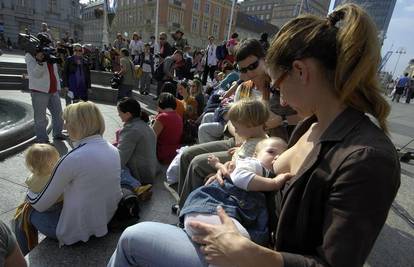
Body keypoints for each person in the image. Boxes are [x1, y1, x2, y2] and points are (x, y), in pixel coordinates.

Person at [106, 4, 400, 267]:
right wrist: (235, 171)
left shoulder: (368, 159)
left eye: (279, 83)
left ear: (301, 71)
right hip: (245, 231)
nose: (280, 99)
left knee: (133, 240)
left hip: (255, 254)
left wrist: (254, 254)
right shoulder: (312, 124)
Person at [15, 101, 122, 254]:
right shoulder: (113, 149)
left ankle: (21, 259)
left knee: (21, 213)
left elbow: (40, 205)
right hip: (104, 219)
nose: (64, 126)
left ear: (79, 124)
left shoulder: (73, 158)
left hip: (76, 230)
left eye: (67, 121)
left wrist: (29, 191)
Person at [181, 137, 289, 246]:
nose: (276, 157)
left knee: (235, 249)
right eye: (271, 152)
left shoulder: (264, 171)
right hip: (213, 209)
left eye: (282, 155)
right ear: (255, 155)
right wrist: (274, 183)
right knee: (243, 245)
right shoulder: (255, 165)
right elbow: (240, 177)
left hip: (212, 215)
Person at [25, 47, 66, 143]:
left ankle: (57, 134)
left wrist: (58, 87)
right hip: (39, 90)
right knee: (40, 117)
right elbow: (35, 74)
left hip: (53, 90)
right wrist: (40, 62)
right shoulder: (30, 55)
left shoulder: (49, 52)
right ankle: (42, 139)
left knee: (59, 114)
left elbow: (54, 72)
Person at [116, 97, 158, 185]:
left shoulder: (131, 129)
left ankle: (135, 186)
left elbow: (119, 160)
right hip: (150, 171)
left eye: (119, 112)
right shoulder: (146, 126)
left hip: (140, 176)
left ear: (127, 114)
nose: (118, 115)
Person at [152, 92, 184, 164]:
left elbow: (151, 136)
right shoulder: (178, 117)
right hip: (173, 152)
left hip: (161, 153)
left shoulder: (162, 117)